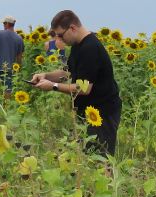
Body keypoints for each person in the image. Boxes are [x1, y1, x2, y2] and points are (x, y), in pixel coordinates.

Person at [31, 10, 122, 157]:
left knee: (101, 159)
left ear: (72, 28)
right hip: (88, 111)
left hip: (102, 113)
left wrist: (53, 86)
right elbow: (68, 73)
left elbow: (84, 89)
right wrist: (45, 75)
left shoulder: (90, 48)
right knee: (88, 157)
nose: (58, 39)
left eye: (60, 35)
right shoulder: (78, 45)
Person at [0, 15, 24, 93]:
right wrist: (18, 69)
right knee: (7, 90)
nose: (3, 26)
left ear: (7, 24)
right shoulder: (19, 38)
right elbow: (19, 57)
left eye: (4, 24)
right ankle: (6, 104)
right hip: (9, 69)